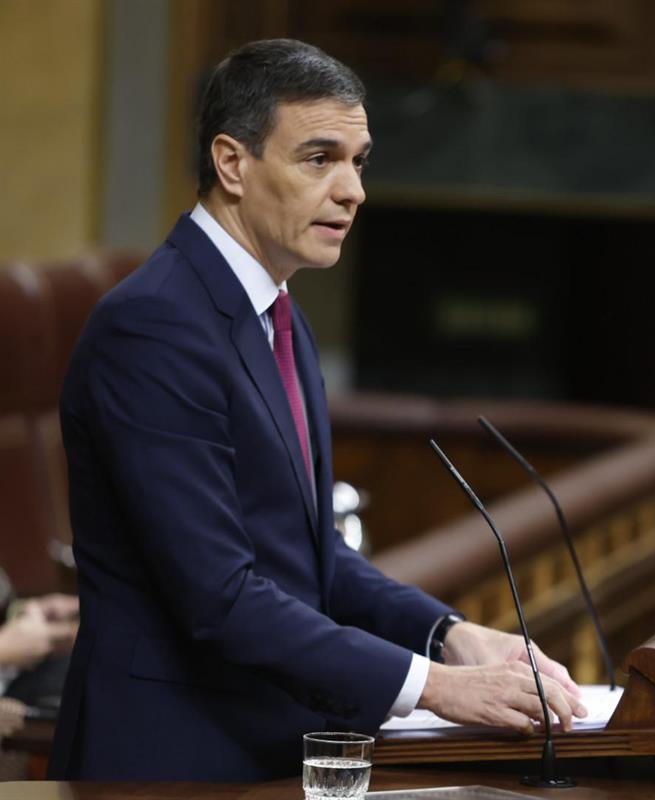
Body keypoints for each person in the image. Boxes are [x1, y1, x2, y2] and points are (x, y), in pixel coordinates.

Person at [49, 39, 585, 781]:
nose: (352, 190)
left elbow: (307, 555)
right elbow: (221, 596)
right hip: (169, 761)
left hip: (266, 741)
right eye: (319, 158)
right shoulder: (155, 324)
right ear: (232, 163)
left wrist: (449, 635)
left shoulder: (277, 310)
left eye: (359, 161)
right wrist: (434, 687)